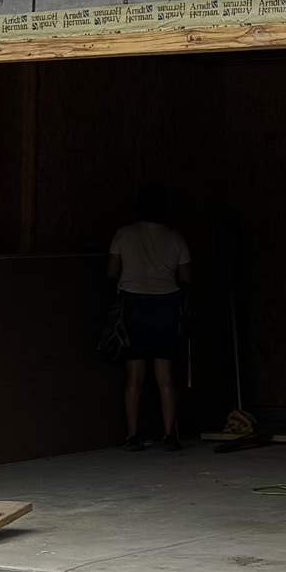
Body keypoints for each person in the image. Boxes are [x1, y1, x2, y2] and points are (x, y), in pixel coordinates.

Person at [109, 185, 193, 450]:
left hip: (133, 303)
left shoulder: (123, 234)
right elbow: (186, 277)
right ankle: (170, 434)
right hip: (166, 304)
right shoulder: (175, 237)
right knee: (164, 375)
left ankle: (132, 434)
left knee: (134, 375)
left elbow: (112, 272)